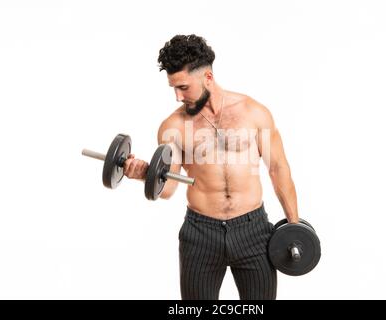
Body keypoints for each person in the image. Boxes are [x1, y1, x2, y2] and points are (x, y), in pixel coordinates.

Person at [123, 34, 299, 300]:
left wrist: (294, 226)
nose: (177, 96)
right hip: (200, 234)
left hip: (253, 231)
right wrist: (143, 174)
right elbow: (169, 187)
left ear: (207, 77)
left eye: (183, 87)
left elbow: (278, 169)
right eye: (173, 88)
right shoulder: (173, 127)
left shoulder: (253, 112)